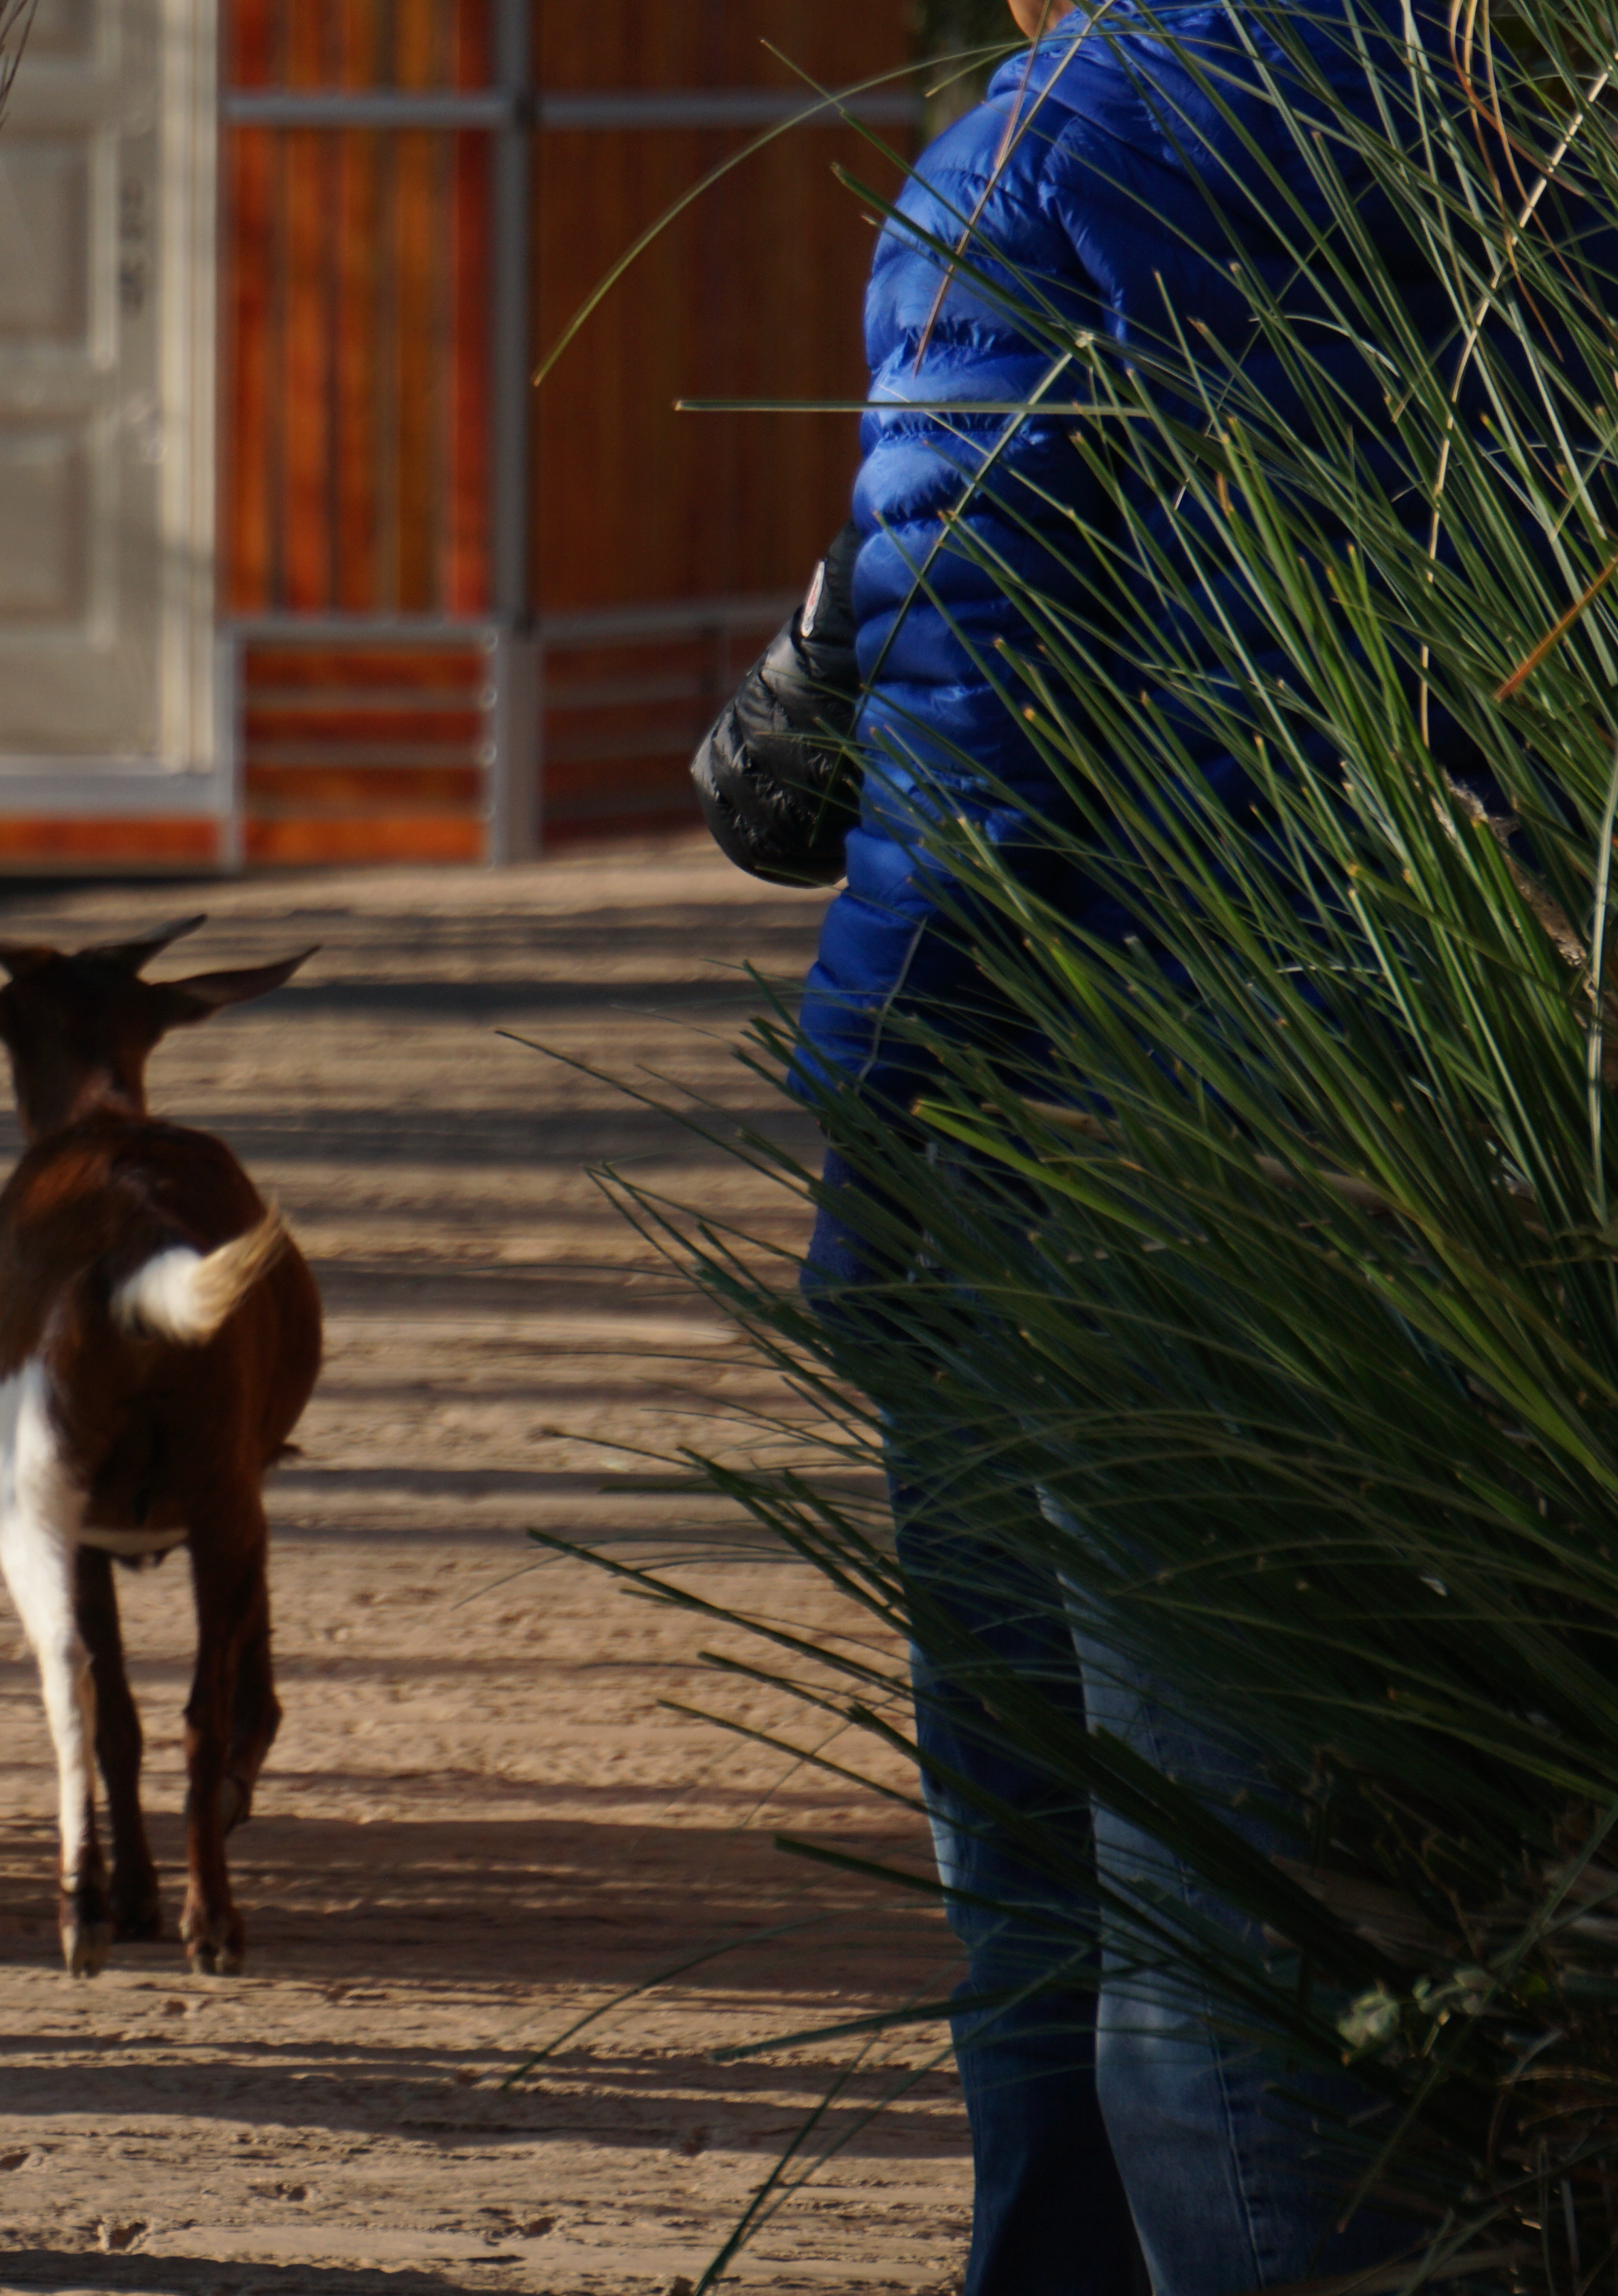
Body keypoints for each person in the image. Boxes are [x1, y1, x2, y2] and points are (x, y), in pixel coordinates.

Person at [738, 3, 1446, 2289]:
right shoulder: (1502, 145)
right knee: (1334, 1910)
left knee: (1118, 1904)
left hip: (1102, 1155)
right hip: (1449, 1141)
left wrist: (872, 1138)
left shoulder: (1039, 158)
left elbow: (974, 765)